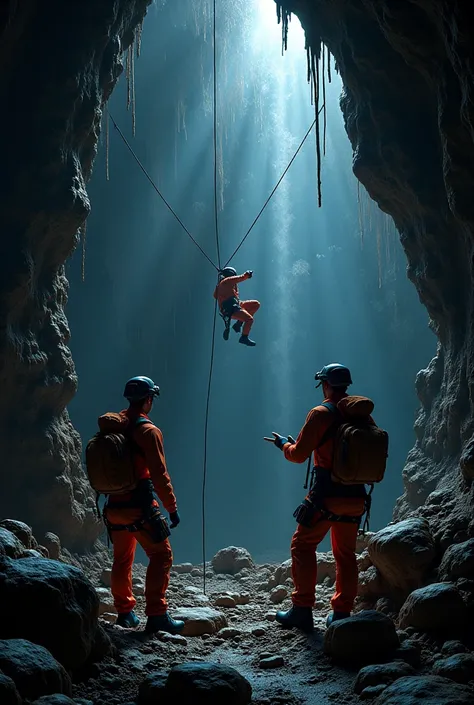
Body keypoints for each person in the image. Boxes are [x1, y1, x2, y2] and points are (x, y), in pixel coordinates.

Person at [265, 363, 370, 633]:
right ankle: (342, 613)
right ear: (346, 386)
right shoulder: (362, 417)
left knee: (302, 545)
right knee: (345, 554)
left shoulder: (321, 413)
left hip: (326, 497)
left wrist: (283, 445)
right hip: (356, 497)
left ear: (324, 385)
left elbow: (299, 455)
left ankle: (302, 609)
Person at [99, 376, 184, 634]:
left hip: (113, 507)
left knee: (122, 560)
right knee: (161, 555)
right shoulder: (148, 431)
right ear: (148, 399)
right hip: (141, 507)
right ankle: (157, 615)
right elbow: (159, 475)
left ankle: (125, 613)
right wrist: (172, 508)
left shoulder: (115, 427)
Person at [214, 266, 260, 346]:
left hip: (235, 305)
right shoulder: (227, 281)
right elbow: (241, 277)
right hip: (231, 308)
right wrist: (247, 274)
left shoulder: (223, 284)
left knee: (255, 304)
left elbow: (215, 296)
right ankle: (244, 337)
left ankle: (238, 324)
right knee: (249, 320)